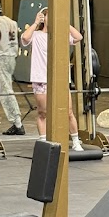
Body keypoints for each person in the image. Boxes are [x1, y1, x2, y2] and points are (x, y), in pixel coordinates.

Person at [21, 8, 84, 151]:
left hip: (60, 80)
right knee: (43, 113)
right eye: (49, 16)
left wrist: (65, 23)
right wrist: (36, 23)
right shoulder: (36, 35)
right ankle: (43, 141)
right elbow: (25, 38)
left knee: (68, 112)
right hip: (41, 79)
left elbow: (78, 37)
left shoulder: (61, 35)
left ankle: (75, 141)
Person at [0, 0, 24, 136]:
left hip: (1, 57)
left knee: (4, 90)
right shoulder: (12, 22)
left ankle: (17, 122)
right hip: (11, 57)